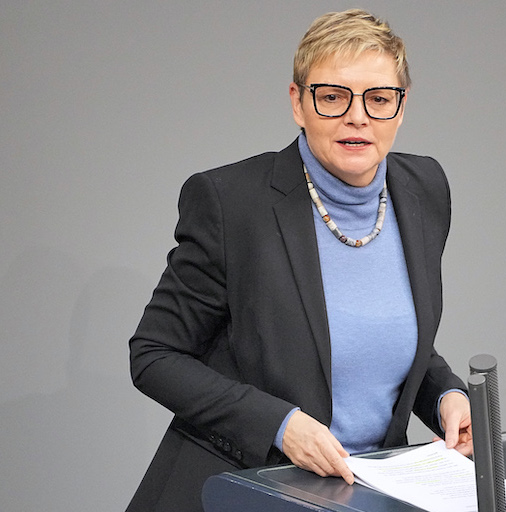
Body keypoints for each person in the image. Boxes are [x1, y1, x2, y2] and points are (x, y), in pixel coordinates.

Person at [127, 9, 472, 511]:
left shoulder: (424, 190)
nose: (358, 117)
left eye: (378, 98)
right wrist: (280, 425)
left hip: (364, 495)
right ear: (298, 103)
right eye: (332, 97)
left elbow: (377, 336)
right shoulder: (231, 202)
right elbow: (154, 355)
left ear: (401, 108)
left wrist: (445, 395)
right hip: (241, 488)